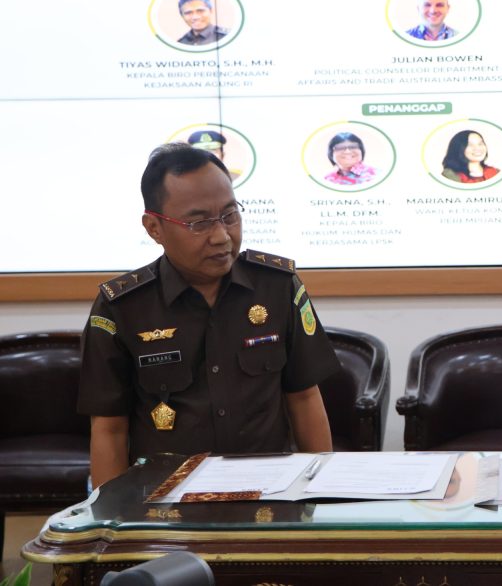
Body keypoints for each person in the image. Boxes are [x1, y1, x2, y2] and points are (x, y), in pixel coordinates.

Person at [78, 143, 338, 488]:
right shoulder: (121, 308)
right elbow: (109, 429)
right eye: (199, 223)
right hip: (164, 501)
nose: (221, 236)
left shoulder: (277, 287)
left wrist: (319, 493)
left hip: (267, 493)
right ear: (154, 227)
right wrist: (109, 515)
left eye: (230, 216)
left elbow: (304, 398)